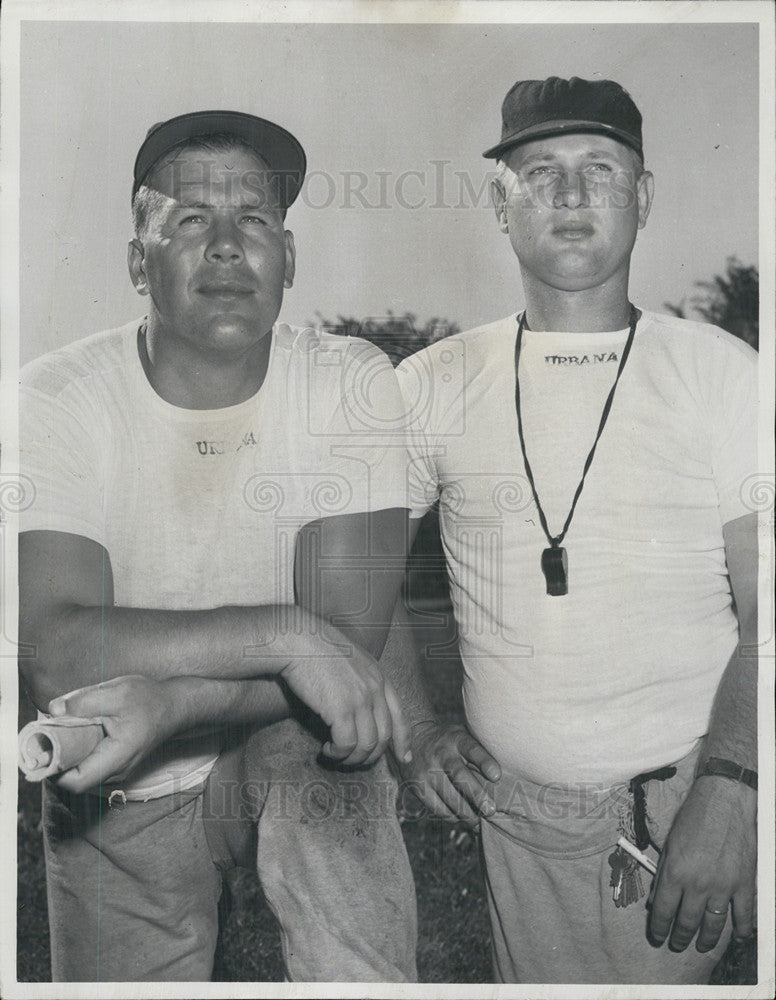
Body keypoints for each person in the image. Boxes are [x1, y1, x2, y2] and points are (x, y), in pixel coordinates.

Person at [18, 110, 418, 983]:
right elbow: (56, 655)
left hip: (287, 740)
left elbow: (346, 654)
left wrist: (175, 700)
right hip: (116, 764)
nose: (230, 246)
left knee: (336, 790)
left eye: (257, 221)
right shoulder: (55, 396)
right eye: (192, 219)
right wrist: (285, 633)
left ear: (290, 261)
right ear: (138, 261)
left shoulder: (348, 378)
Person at [392, 76, 758, 983]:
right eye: (539, 170)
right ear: (498, 204)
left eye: (600, 168)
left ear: (644, 197)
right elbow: (346, 583)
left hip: (701, 788)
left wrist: (735, 787)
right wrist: (416, 727)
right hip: (521, 821)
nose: (568, 193)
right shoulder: (435, 380)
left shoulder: (720, 373)